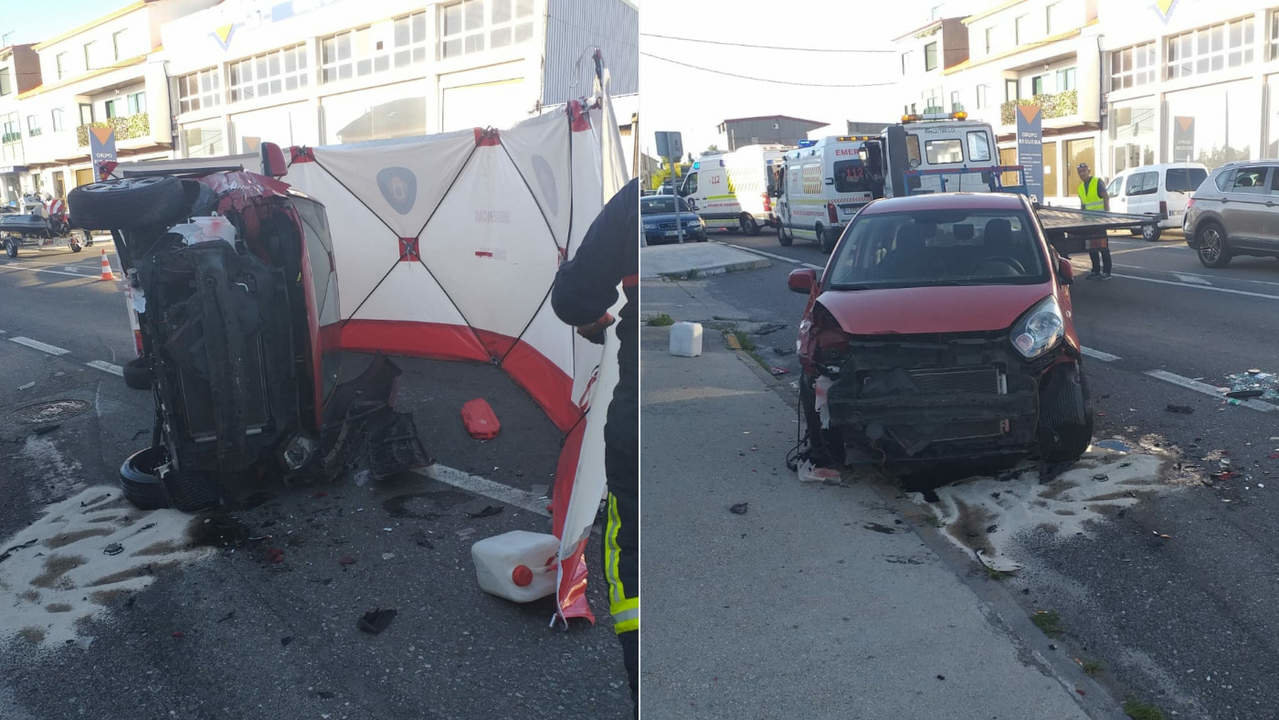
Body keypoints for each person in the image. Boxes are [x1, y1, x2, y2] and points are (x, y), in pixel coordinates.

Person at [550, 177, 639, 713]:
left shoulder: (635, 200)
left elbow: (577, 295)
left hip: (640, 412)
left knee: (630, 545)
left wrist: (591, 321)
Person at [1076, 162, 1112, 279]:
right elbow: (1083, 205)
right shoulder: (1080, 188)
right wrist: (1081, 219)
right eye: (1080, 172)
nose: (1082, 174)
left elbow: (1105, 197)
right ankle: (1095, 270)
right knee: (1092, 247)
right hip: (1088, 222)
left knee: (1102, 247)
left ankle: (1106, 272)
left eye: (1084, 171)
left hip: (1100, 221)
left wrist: (1106, 215)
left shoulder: (1097, 182)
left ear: (1089, 171)